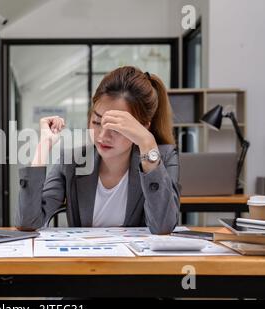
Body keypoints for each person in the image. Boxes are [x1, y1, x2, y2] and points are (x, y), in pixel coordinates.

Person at [16, 66, 180, 234]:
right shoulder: (72, 160)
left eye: (116, 127)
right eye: (96, 122)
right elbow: (28, 223)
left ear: (142, 127)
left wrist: (147, 143)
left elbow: (163, 226)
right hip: (86, 258)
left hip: (137, 260)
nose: (103, 135)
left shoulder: (163, 158)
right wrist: (43, 146)